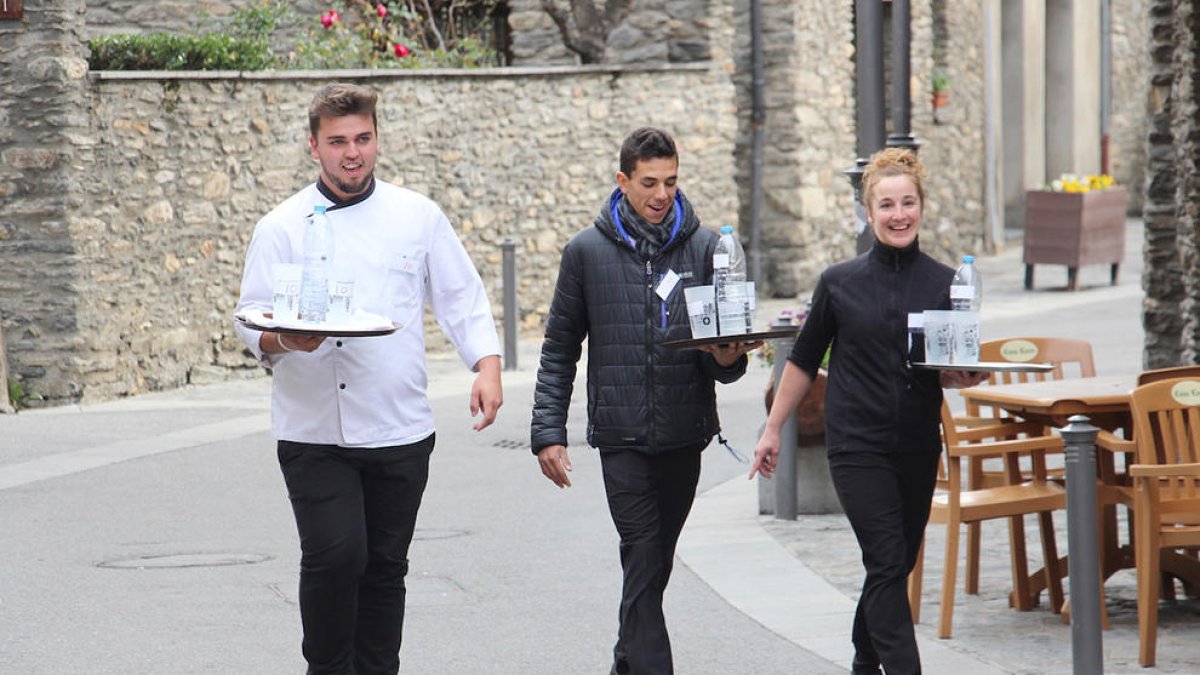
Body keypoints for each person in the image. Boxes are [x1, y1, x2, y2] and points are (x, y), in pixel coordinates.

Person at [233, 82, 503, 674]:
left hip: (400, 427)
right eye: (337, 142)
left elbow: (462, 297)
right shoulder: (281, 227)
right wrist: (283, 339)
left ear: (377, 140)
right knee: (335, 556)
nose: (351, 153)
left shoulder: (417, 216)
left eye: (362, 138)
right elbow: (251, 321)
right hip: (312, 431)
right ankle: (326, 668)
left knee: (385, 567)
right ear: (314, 148)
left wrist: (485, 366)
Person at [530, 127, 760, 675]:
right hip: (621, 439)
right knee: (642, 549)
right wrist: (548, 432)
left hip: (685, 436)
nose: (662, 195)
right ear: (623, 182)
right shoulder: (586, 252)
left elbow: (723, 364)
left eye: (672, 182)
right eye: (650, 183)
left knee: (649, 566)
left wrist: (729, 357)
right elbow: (560, 347)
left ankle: (624, 663)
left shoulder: (706, 249)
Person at [748, 148, 986, 675]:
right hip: (856, 445)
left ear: (922, 207)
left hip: (918, 444)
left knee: (895, 563)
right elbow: (804, 361)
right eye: (886, 205)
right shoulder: (839, 283)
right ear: (867, 212)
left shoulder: (948, 285)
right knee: (884, 560)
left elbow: (945, 366)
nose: (898, 214)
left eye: (907, 203)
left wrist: (961, 375)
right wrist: (772, 430)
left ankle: (863, 659)